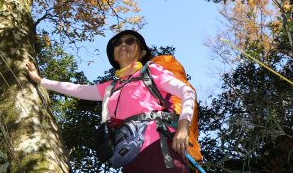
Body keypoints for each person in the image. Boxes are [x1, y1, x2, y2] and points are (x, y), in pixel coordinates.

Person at [25, 30, 196, 172]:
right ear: (114, 56)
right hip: (128, 155)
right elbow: (76, 89)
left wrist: (183, 125)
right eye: (118, 43)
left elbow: (186, 92)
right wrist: (41, 81)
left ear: (142, 52)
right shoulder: (111, 87)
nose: (123, 45)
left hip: (159, 146)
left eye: (130, 41)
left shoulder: (151, 71)